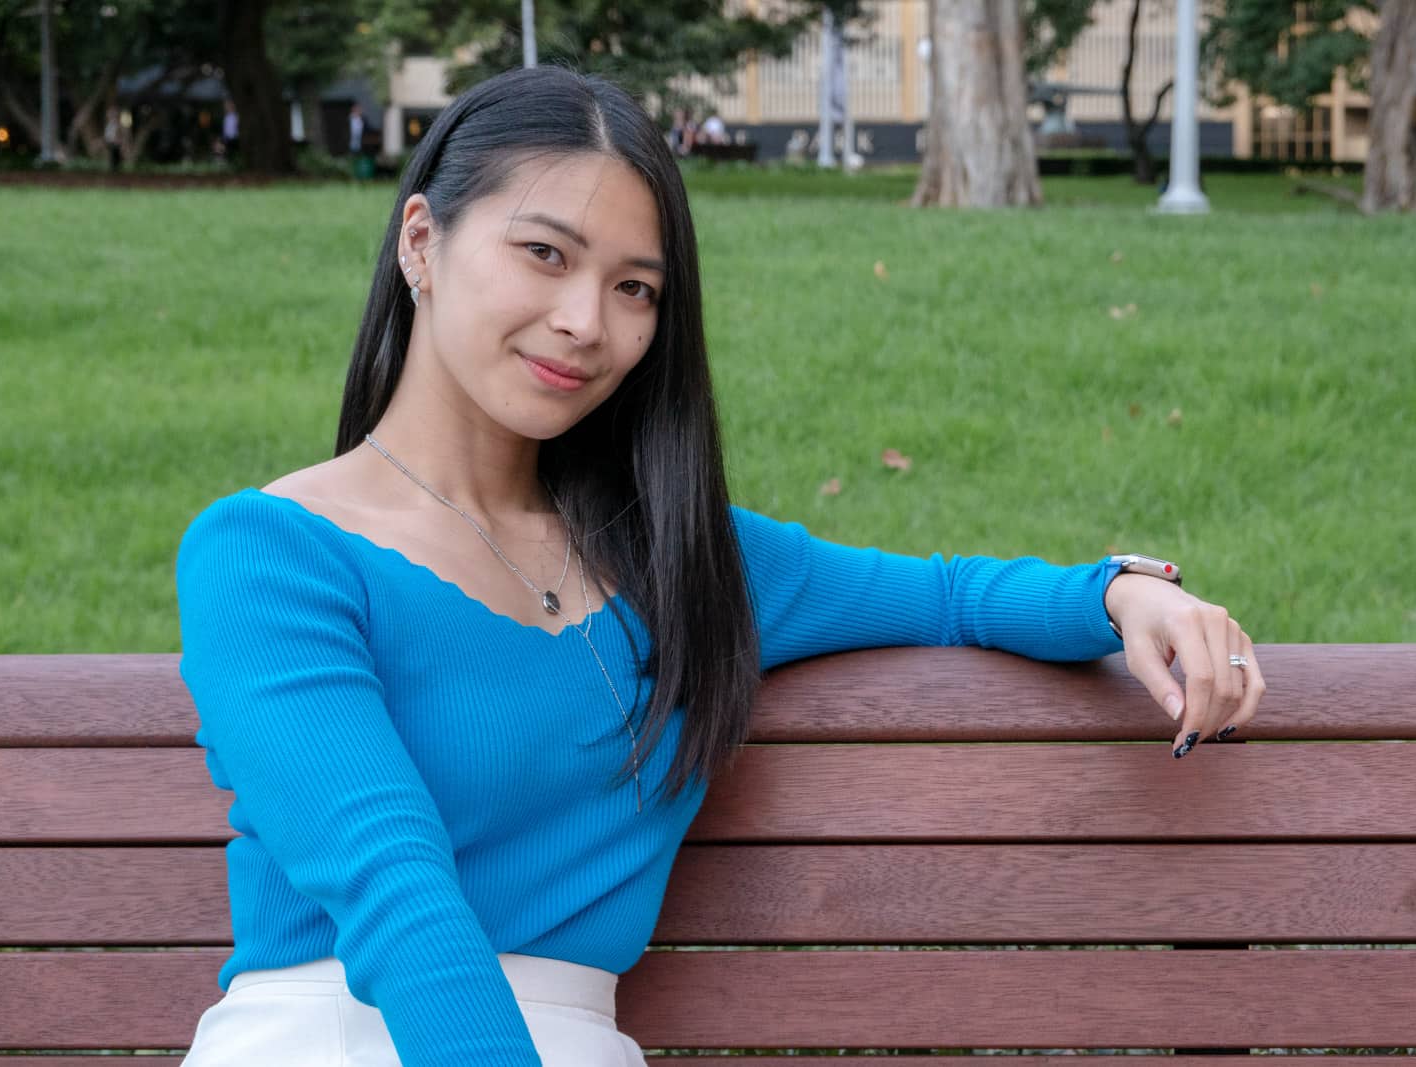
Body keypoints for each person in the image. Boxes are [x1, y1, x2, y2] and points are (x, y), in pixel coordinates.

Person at [173, 65, 1264, 1067]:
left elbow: (943, 592)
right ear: (422, 240)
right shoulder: (267, 554)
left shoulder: (681, 557)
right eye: (543, 253)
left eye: (634, 288)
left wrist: (1123, 592)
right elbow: (391, 883)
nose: (582, 321)